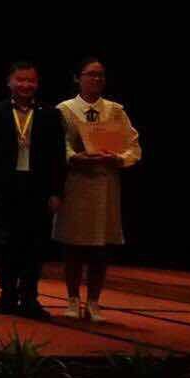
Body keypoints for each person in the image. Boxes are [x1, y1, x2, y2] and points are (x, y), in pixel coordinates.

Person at [54, 57, 141, 323]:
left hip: (105, 186)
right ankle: (72, 299)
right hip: (76, 184)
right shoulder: (65, 110)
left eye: (100, 75)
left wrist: (119, 159)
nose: (96, 79)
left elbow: (133, 146)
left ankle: (93, 301)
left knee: (100, 247)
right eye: (91, 74)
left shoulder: (114, 111)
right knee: (73, 245)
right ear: (77, 78)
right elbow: (58, 144)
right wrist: (74, 157)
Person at [0, 61, 66, 320]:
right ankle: (7, 295)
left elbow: (58, 157)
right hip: (5, 186)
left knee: (35, 244)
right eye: (20, 79)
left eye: (31, 80)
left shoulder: (50, 114)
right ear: (9, 82)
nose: (25, 85)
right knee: (6, 243)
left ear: (37, 84)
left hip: (38, 187)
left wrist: (56, 192)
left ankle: (30, 297)